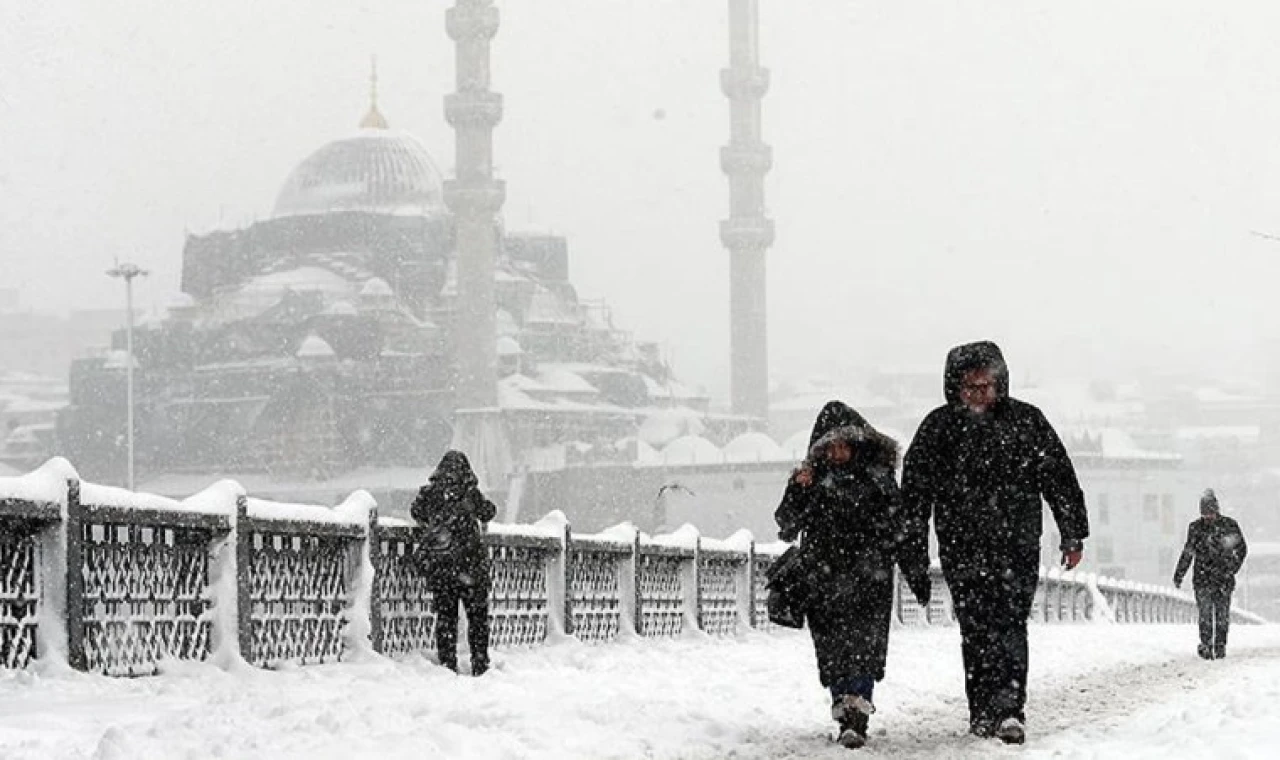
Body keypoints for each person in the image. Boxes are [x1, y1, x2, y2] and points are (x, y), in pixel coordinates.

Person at [900, 341, 1089, 745]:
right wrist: (913, 551)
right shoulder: (938, 430)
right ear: (956, 388)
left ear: (1000, 384)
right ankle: (982, 709)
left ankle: (1008, 709)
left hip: (1016, 545)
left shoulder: (1026, 422)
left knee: (1009, 624)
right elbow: (914, 496)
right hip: (961, 546)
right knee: (975, 628)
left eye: (987, 385)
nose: (980, 394)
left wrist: (1072, 532)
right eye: (971, 387)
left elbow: (1058, 477)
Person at [775, 401, 932, 750]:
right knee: (832, 649)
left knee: (863, 647)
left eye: (845, 444)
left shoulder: (879, 480)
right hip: (824, 579)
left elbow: (901, 529)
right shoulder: (812, 481)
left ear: (860, 443)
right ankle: (844, 706)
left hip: (869, 579)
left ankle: (856, 713)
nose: (838, 452)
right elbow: (787, 526)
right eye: (831, 446)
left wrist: (915, 572)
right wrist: (798, 488)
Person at [411, 450, 497, 676]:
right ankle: (480, 662)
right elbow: (489, 512)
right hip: (471, 567)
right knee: (477, 619)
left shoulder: (430, 494)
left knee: (446, 619)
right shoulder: (469, 494)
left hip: (442, 568)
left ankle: (448, 663)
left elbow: (416, 512)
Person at [1173, 489, 1248, 660]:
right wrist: (1179, 573)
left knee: (1221, 615)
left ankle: (1220, 645)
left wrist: (1231, 568)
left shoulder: (1229, 526)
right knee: (1205, 614)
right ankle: (1206, 645)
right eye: (1205, 514)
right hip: (1203, 579)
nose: (1208, 517)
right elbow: (1188, 552)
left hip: (1223, 578)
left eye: (1210, 513)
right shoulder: (1195, 528)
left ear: (1217, 510)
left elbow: (1241, 549)